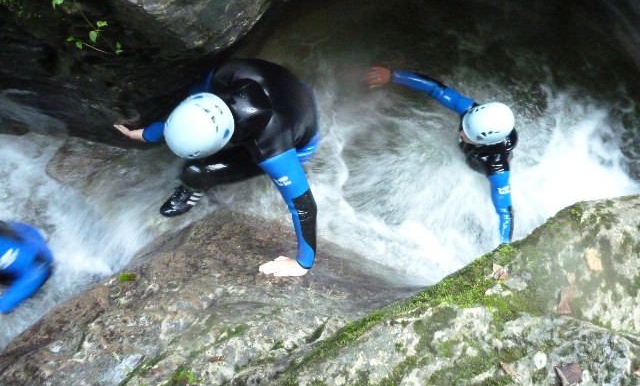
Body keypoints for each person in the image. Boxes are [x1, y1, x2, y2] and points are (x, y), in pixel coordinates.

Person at [114, 58, 320, 277]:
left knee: (194, 172)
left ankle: (194, 187)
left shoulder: (272, 146)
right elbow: (187, 106)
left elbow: (304, 205)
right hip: (285, 87)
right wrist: (149, 133)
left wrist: (302, 264)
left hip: (298, 130)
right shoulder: (225, 74)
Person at [363, 66, 517, 243]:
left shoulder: (496, 168)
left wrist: (502, 257)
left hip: (477, 161)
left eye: (468, 134)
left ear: (484, 141)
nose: (461, 133)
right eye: (465, 126)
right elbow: (435, 88)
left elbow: (505, 213)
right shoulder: (470, 111)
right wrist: (392, 75)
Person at [0, 220, 54, 316]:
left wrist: (4, 305)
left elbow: (41, 267)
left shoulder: (5, 250)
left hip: (39, 264)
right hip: (25, 236)